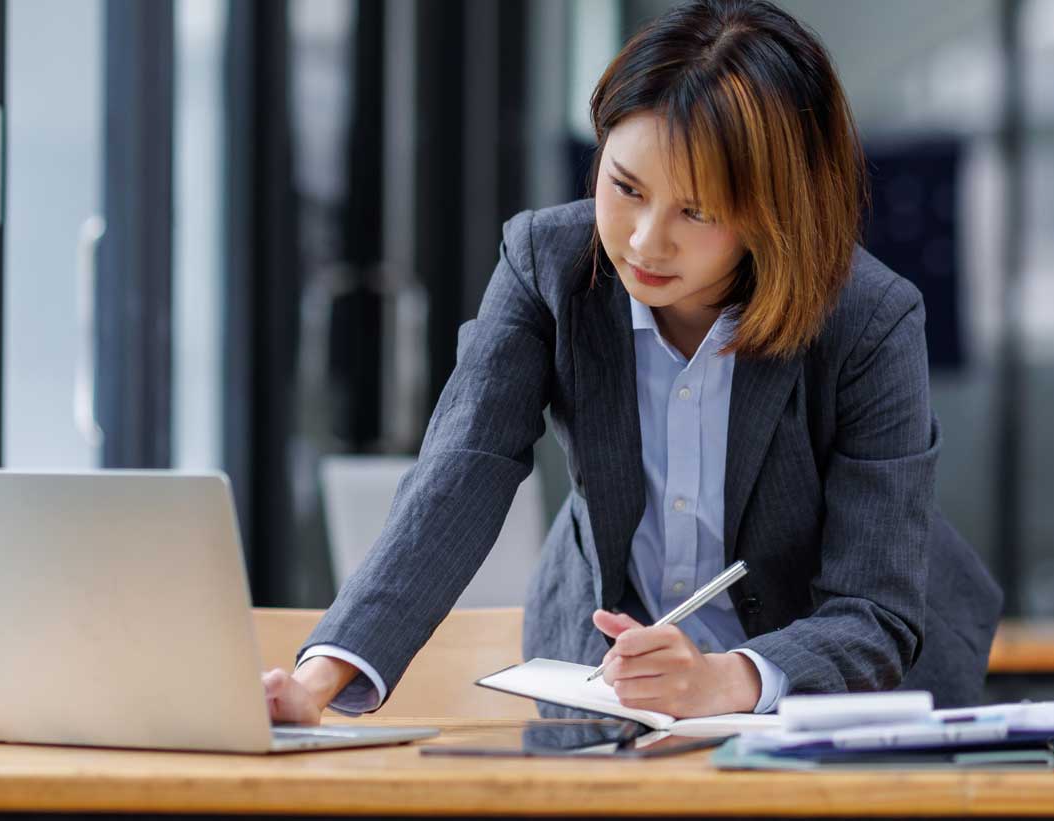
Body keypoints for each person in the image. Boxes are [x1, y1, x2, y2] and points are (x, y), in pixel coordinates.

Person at [263, 0, 1002, 724]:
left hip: (824, 702)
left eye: (697, 212)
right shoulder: (546, 265)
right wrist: (318, 677)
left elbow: (873, 608)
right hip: (604, 694)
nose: (646, 242)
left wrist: (723, 679)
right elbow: (462, 470)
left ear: (776, 212)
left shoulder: (870, 318)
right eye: (625, 188)